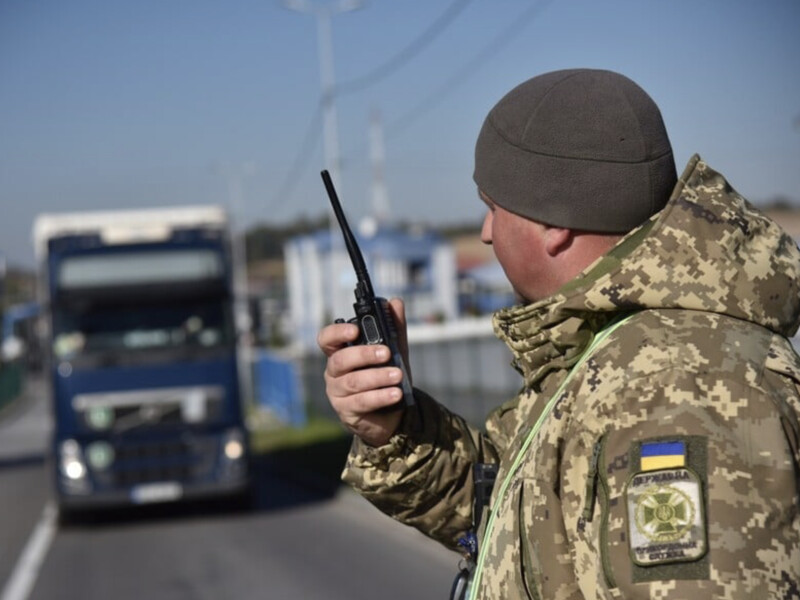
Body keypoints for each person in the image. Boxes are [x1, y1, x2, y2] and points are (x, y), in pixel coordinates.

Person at [317, 68, 800, 599]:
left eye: (492, 207)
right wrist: (393, 428)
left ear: (554, 222)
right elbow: (509, 512)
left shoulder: (673, 387)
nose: (485, 232)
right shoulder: (611, 355)